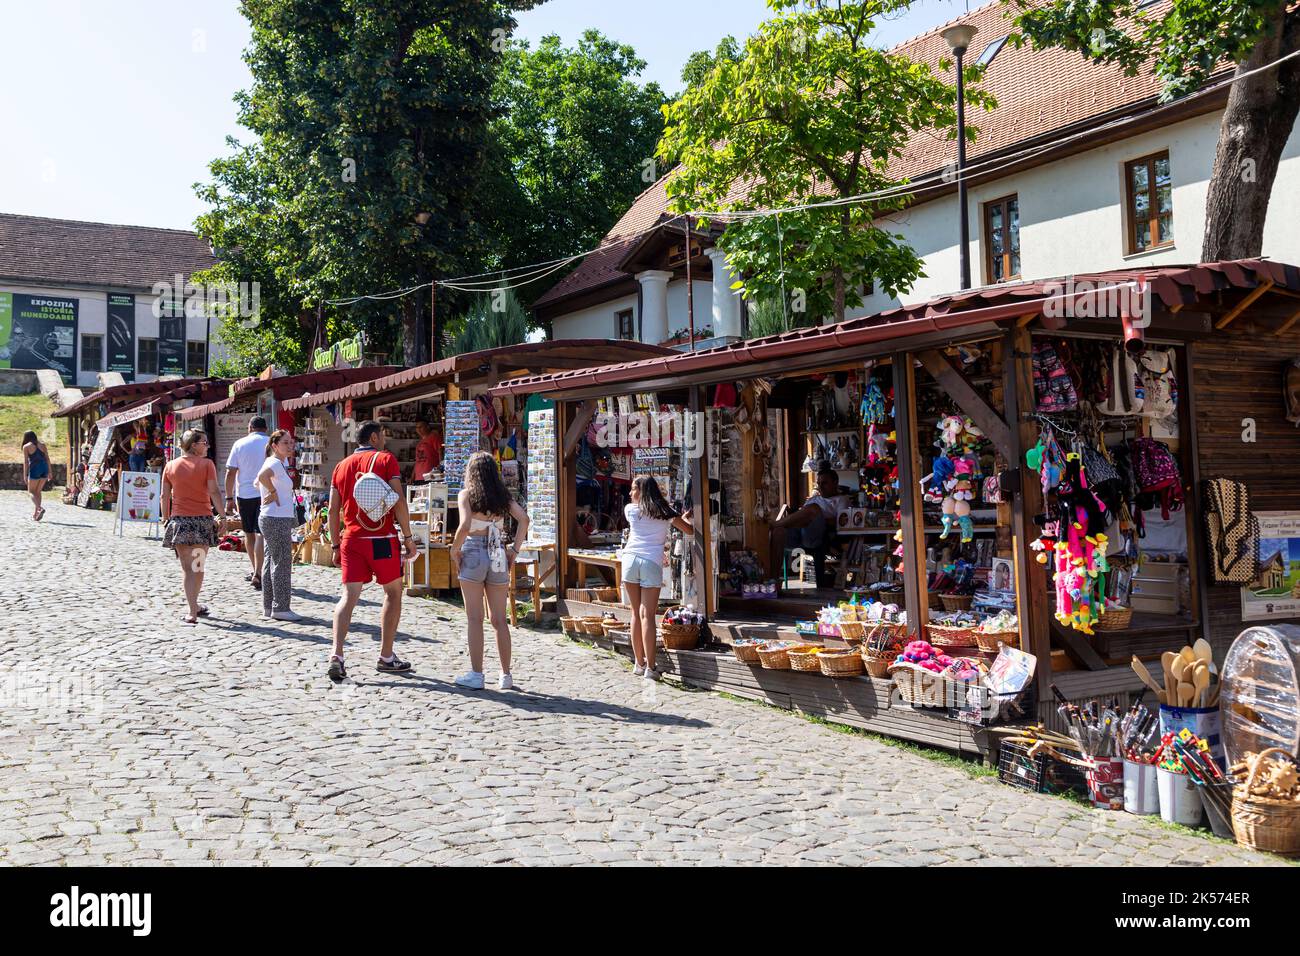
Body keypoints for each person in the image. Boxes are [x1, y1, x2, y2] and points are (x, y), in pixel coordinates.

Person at [327, 421, 417, 682]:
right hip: (381, 538)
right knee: (393, 592)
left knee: (348, 596)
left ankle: (337, 655)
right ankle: (386, 656)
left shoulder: (340, 466)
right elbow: (398, 500)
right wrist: (409, 537)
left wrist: (334, 544)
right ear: (375, 437)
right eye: (384, 435)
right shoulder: (386, 460)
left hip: (351, 539)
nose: (386, 440)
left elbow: (334, 510)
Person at [449, 451, 529, 690]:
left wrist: (454, 550)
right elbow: (523, 519)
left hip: (473, 549)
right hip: (497, 550)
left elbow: (464, 525)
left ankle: (477, 674)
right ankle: (506, 675)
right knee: (499, 620)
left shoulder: (467, 495)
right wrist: (514, 550)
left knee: (474, 618)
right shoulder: (501, 496)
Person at [620, 476, 693, 681]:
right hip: (651, 562)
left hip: (630, 560)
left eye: (633, 489)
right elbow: (688, 530)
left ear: (642, 491)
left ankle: (639, 662)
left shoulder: (630, 510)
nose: (630, 493)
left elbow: (641, 515)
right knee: (648, 615)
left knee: (635, 613)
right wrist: (684, 517)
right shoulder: (665, 511)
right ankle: (651, 668)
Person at [161, 430, 226, 625]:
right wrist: (222, 516)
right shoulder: (207, 465)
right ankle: (194, 606)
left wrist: (165, 518)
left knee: (188, 570)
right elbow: (213, 491)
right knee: (198, 567)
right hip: (202, 522)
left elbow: (165, 496)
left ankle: (192, 610)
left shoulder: (170, 466)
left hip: (180, 522)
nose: (207, 446)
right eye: (204, 443)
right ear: (194, 445)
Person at [768, 464, 843, 587]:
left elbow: (839, 522)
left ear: (835, 482)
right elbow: (801, 514)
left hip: (817, 535)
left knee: (813, 509)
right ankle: (773, 579)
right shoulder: (814, 499)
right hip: (799, 532)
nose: (820, 487)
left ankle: (776, 523)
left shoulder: (842, 499)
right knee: (778, 532)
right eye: (819, 484)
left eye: (824, 483)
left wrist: (816, 515)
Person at [256, 429, 301, 622]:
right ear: (274, 446)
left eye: (290, 442)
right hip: (275, 518)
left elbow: (257, 482)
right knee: (282, 562)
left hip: (273, 517)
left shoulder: (278, 463)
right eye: (285, 442)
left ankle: (270, 605)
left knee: (272, 560)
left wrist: (270, 491)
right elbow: (261, 477)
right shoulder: (274, 462)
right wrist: (273, 492)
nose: (289, 445)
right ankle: (280, 607)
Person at [225, 416, 270, 591]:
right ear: (265, 428)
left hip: (245, 495)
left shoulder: (239, 444)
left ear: (249, 427)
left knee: (249, 533)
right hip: (267, 494)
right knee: (261, 535)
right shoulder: (272, 443)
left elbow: (230, 473)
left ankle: (255, 571)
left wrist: (229, 497)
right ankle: (259, 572)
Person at [21, 430, 51, 521]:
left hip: (35, 469)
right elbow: (47, 458)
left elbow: (26, 462)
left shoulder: (26, 447)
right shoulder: (43, 445)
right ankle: (36, 514)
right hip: (44, 468)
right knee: (38, 491)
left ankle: (39, 508)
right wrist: (50, 472)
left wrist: (25, 475)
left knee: (31, 491)